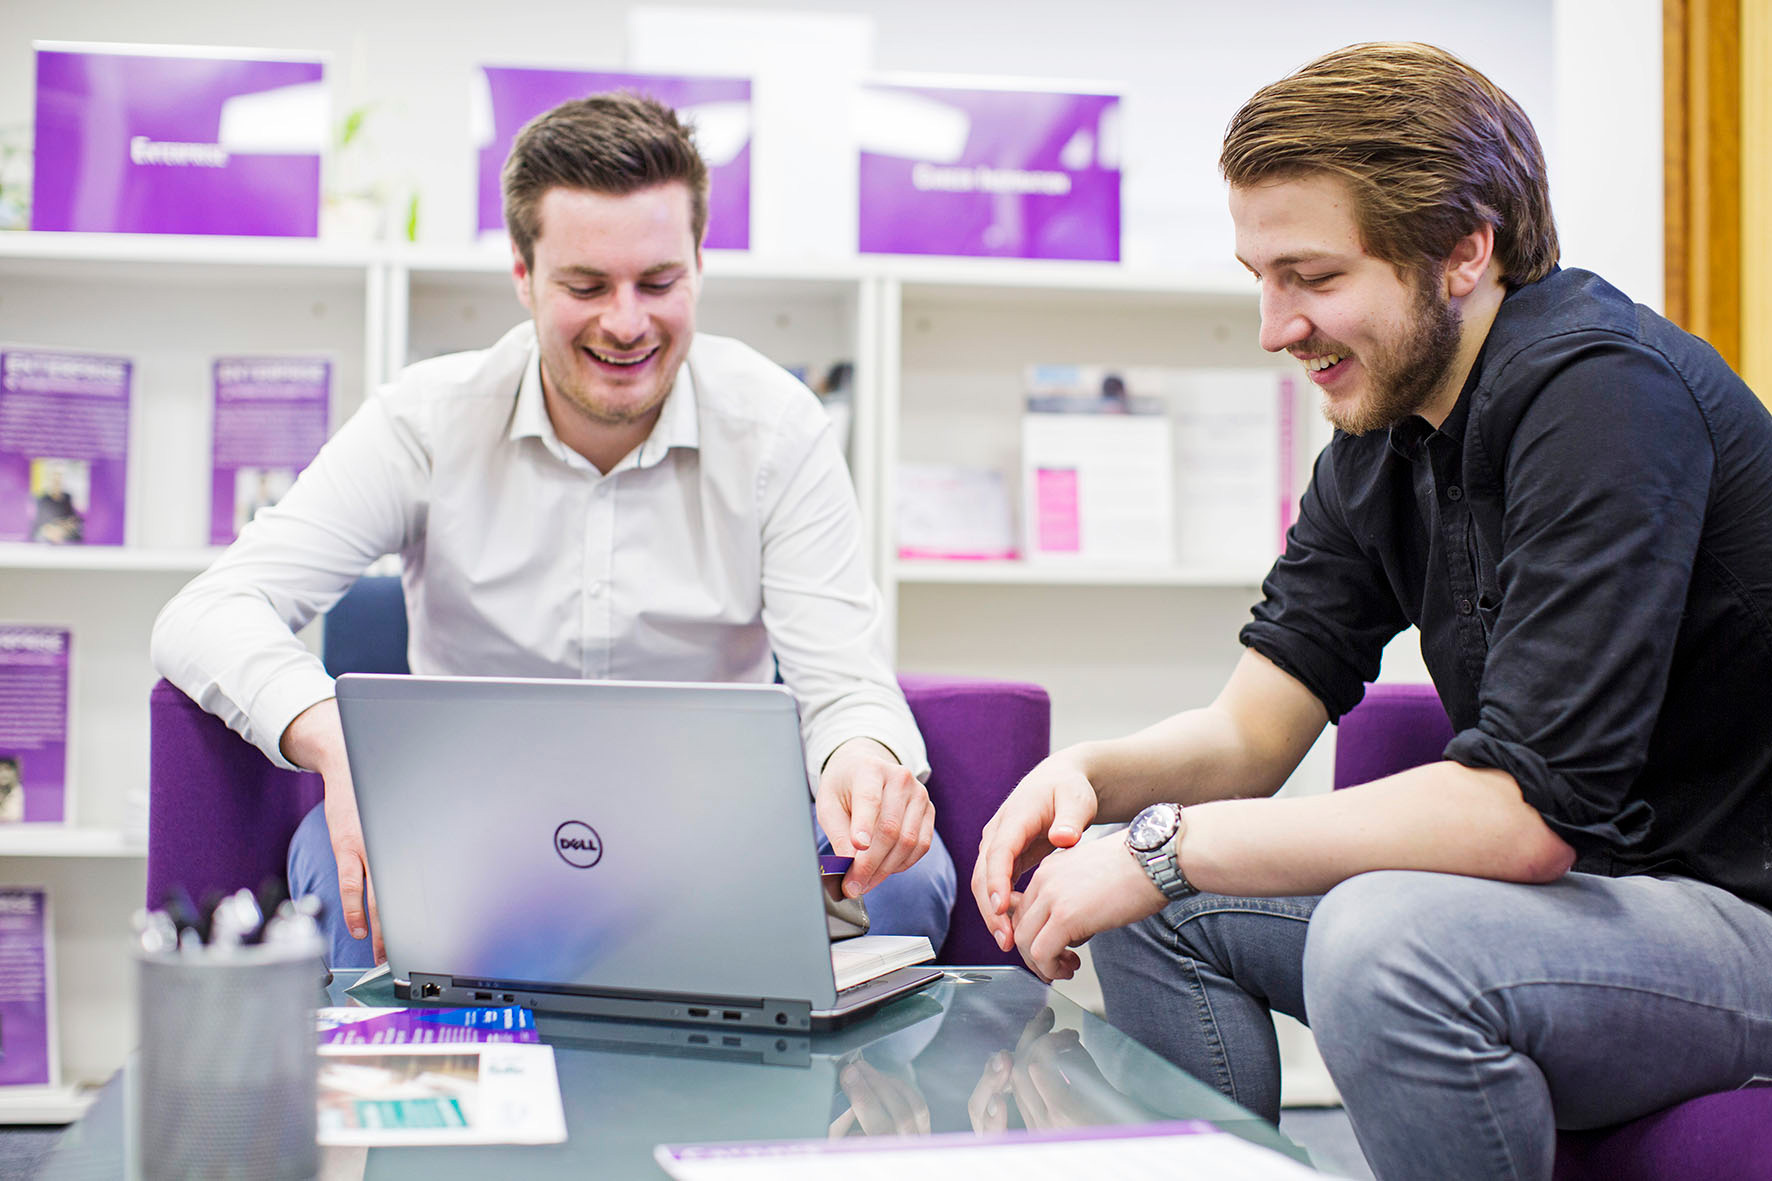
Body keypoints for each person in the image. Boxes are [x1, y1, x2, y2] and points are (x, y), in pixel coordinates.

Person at [971, 42, 1772, 1181]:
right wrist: (1101, 779)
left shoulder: (1602, 395)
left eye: (1311, 276)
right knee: (1145, 901)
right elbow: (1252, 732)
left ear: (1463, 252)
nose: (1273, 325)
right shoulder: (1377, 433)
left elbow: (1519, 820)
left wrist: (1166, 845)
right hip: (1592, 913)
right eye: (1258, 275)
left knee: (1381, 942)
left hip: (1733, 919)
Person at [154, 92, 953, 968]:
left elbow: (843, 679)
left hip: (715, 829)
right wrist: (333, 735)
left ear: (699, 265)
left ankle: (810, 1110)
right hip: (464, 827)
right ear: (523, 276)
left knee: (903, 888)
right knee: (354, 892)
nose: (625, 322)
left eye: (658, 282)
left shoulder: (778, 429)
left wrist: (862, 755)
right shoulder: (427, 419)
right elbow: (207, 610)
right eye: (585, 285)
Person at [0, 756, 23, 823]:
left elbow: (13, 816)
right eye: (0, 770)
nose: (3, 774)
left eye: (8, 769)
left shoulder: (17, 790)